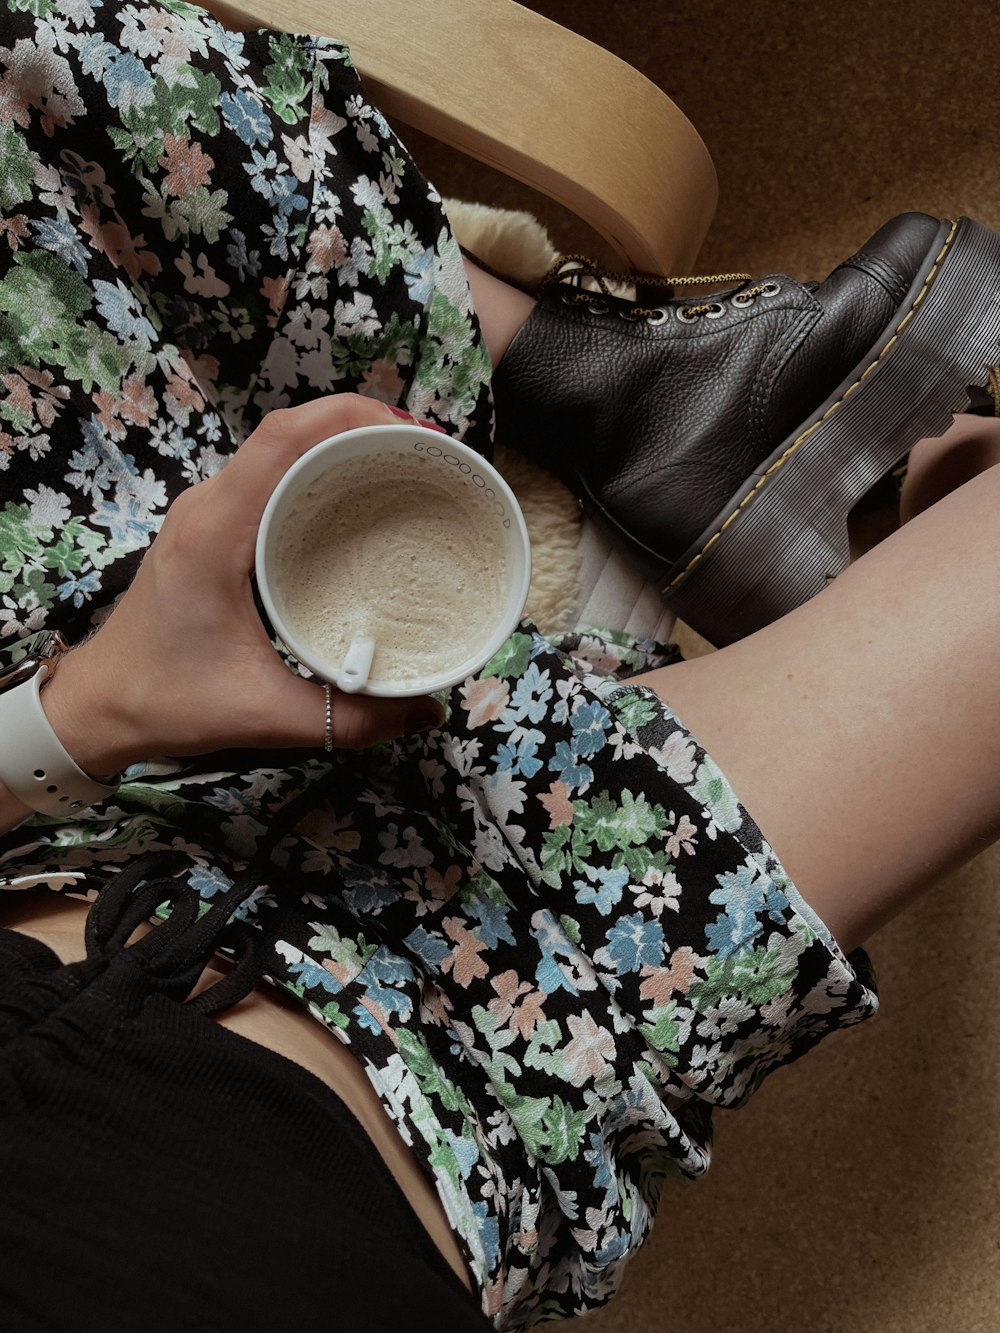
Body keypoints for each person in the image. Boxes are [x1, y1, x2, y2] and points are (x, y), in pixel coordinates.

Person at [0, 2, 998, 1328]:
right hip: (505, 1044)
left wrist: (78, 718)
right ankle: (639, 432)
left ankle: (602, 379)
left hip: (68, 797)